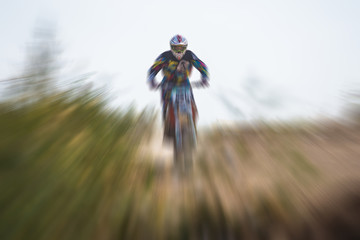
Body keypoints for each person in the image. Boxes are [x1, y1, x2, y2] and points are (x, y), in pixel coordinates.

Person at [147, 35, 209, 139]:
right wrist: (152, 81)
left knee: (192, 103)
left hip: (184, 83)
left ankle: (193, 125)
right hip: (167, 83)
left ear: (186, 47)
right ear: (171, 47)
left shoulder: (189, 55)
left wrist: (204, 77)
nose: (179, 51)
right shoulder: (165, 56)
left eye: (182, 48)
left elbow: (201, 65)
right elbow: (153, 69)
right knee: (165, 104)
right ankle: (167, 128)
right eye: (176, 48)